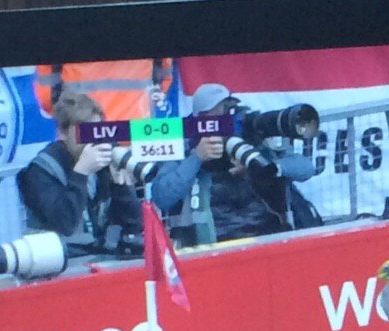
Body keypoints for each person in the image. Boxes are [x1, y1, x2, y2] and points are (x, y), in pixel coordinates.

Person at [148, 83, 320, 245]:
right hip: (213, 241)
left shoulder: (249, 135)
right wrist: (197, 158)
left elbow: (306, 168)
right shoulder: (184, 144)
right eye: (218, 111)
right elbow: (162, 196)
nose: (225, 116)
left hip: (266, 233)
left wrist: (264, 168)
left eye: (227, 109)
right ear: (200, 117)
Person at [17, 92, 141, 256]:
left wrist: (122, 185)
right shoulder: (40, 171)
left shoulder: (104, 159)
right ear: (62, 133)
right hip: (55, 258)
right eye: (85, 133)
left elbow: (134, 224)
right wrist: (81, 172)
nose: (93, 140)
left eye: (97, 131)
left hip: (97, 253)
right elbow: (65, 224)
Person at [34, 59, 174, 121]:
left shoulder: (61, 20)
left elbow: (47, 91)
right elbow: (162, 77)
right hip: (136, 128)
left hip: (80, 129)